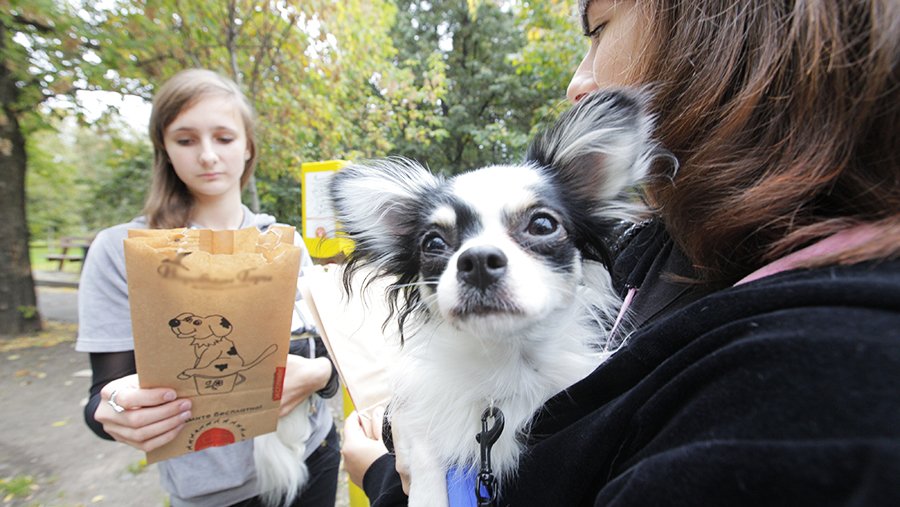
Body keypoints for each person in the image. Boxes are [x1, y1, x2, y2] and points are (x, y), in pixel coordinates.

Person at [341, 0, 900, 505]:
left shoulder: (818, 373)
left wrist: (383, 479)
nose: (576, 81)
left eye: (598, 28)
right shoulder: (662, 255)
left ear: (728, 25)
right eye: (439, 244)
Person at [76, 68, 341, 507]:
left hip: (313, 454)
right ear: (164, 147)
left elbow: (325, 352)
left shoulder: (285, 242)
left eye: (223, 137)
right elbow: (100, 398)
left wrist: (323, 375)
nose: (207, 156)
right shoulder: (121, 251)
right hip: (214, 494)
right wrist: (117, 414)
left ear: (248, 145)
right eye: (186, 139)